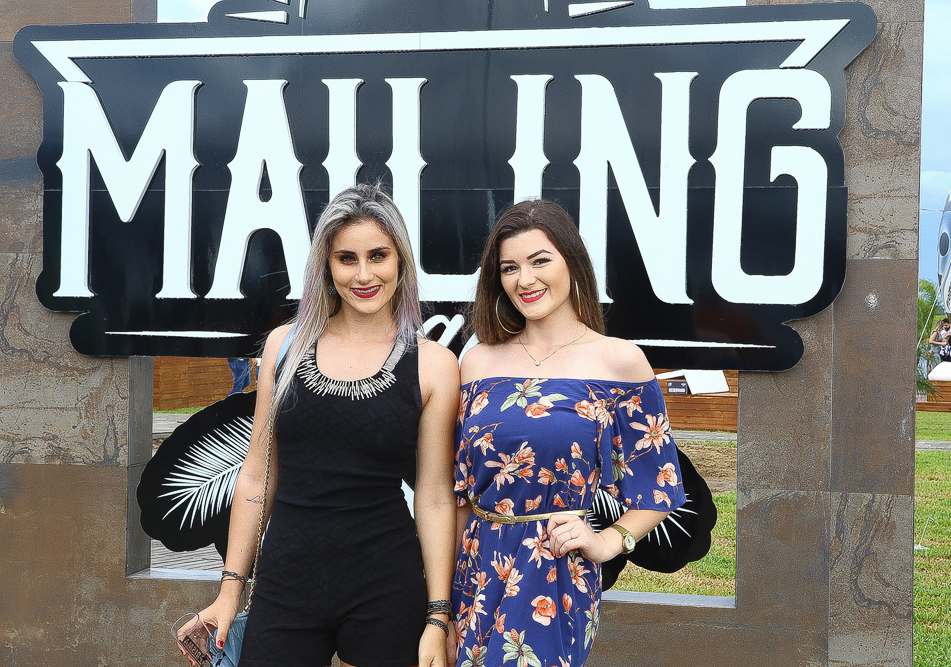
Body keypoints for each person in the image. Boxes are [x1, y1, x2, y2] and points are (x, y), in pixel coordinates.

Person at [180, 184, 459, 667]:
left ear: (401, 261)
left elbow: (434, 496)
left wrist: (438, 616)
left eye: (378, 256)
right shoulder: (284, 346)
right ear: (326, 266)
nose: (364, 274)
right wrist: (230, 591)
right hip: (287, 579)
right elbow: (257, 475)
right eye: (347, 258)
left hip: (386, 584)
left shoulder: (433, 364)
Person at [451, 200, 687, 666]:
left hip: (554, 575)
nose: (525, 280)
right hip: (474, 573)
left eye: (540, 261)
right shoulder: (476, 362)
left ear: (572, 262)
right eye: (510, 268)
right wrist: (442, 608)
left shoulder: (619, 361)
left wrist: (609, 541)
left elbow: (659, 486)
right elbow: (458, 492)